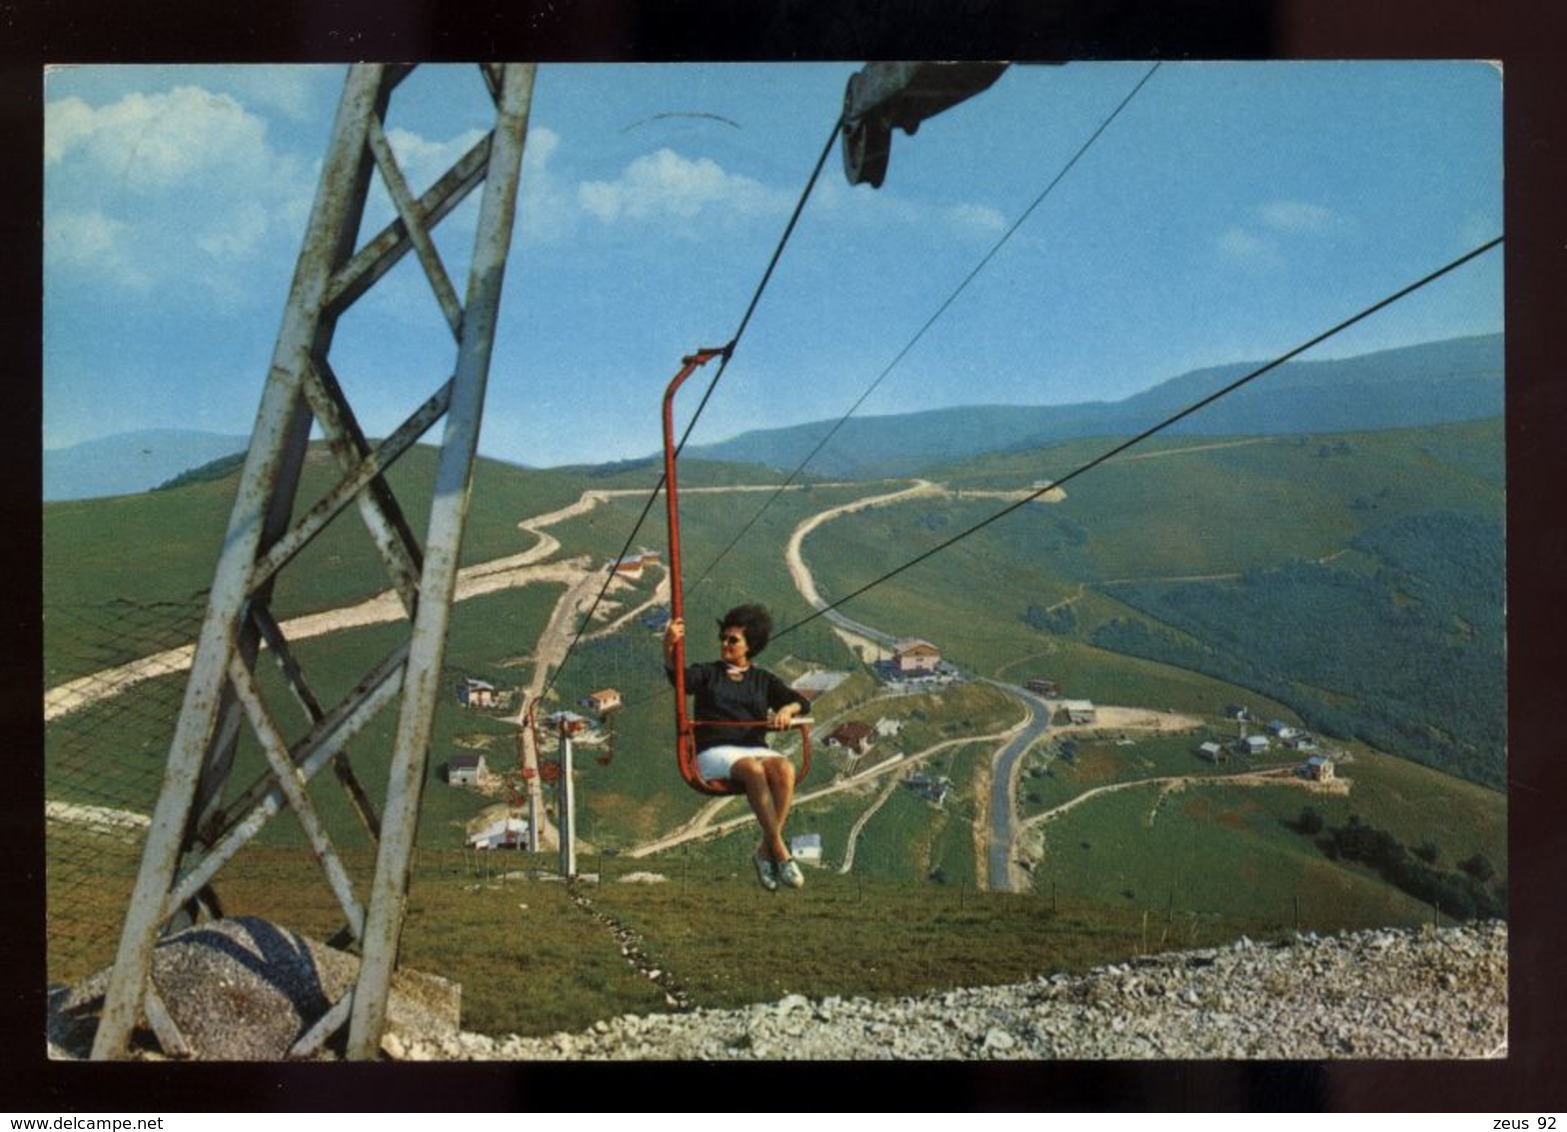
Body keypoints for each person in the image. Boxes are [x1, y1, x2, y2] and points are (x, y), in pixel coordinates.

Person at [664, 603, 811, 891]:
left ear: (750, 646)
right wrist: (668, 647)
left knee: (784, 768)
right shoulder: (708, 673)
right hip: (715, 750)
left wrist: (787, 711)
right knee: (753, 770)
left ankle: (763, 850)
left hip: (752, 747)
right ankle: (780, 851)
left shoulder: (762, 679)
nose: (725, 644)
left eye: (733, 640)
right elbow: (678, 679)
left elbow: (799, 701)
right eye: (724, 638)